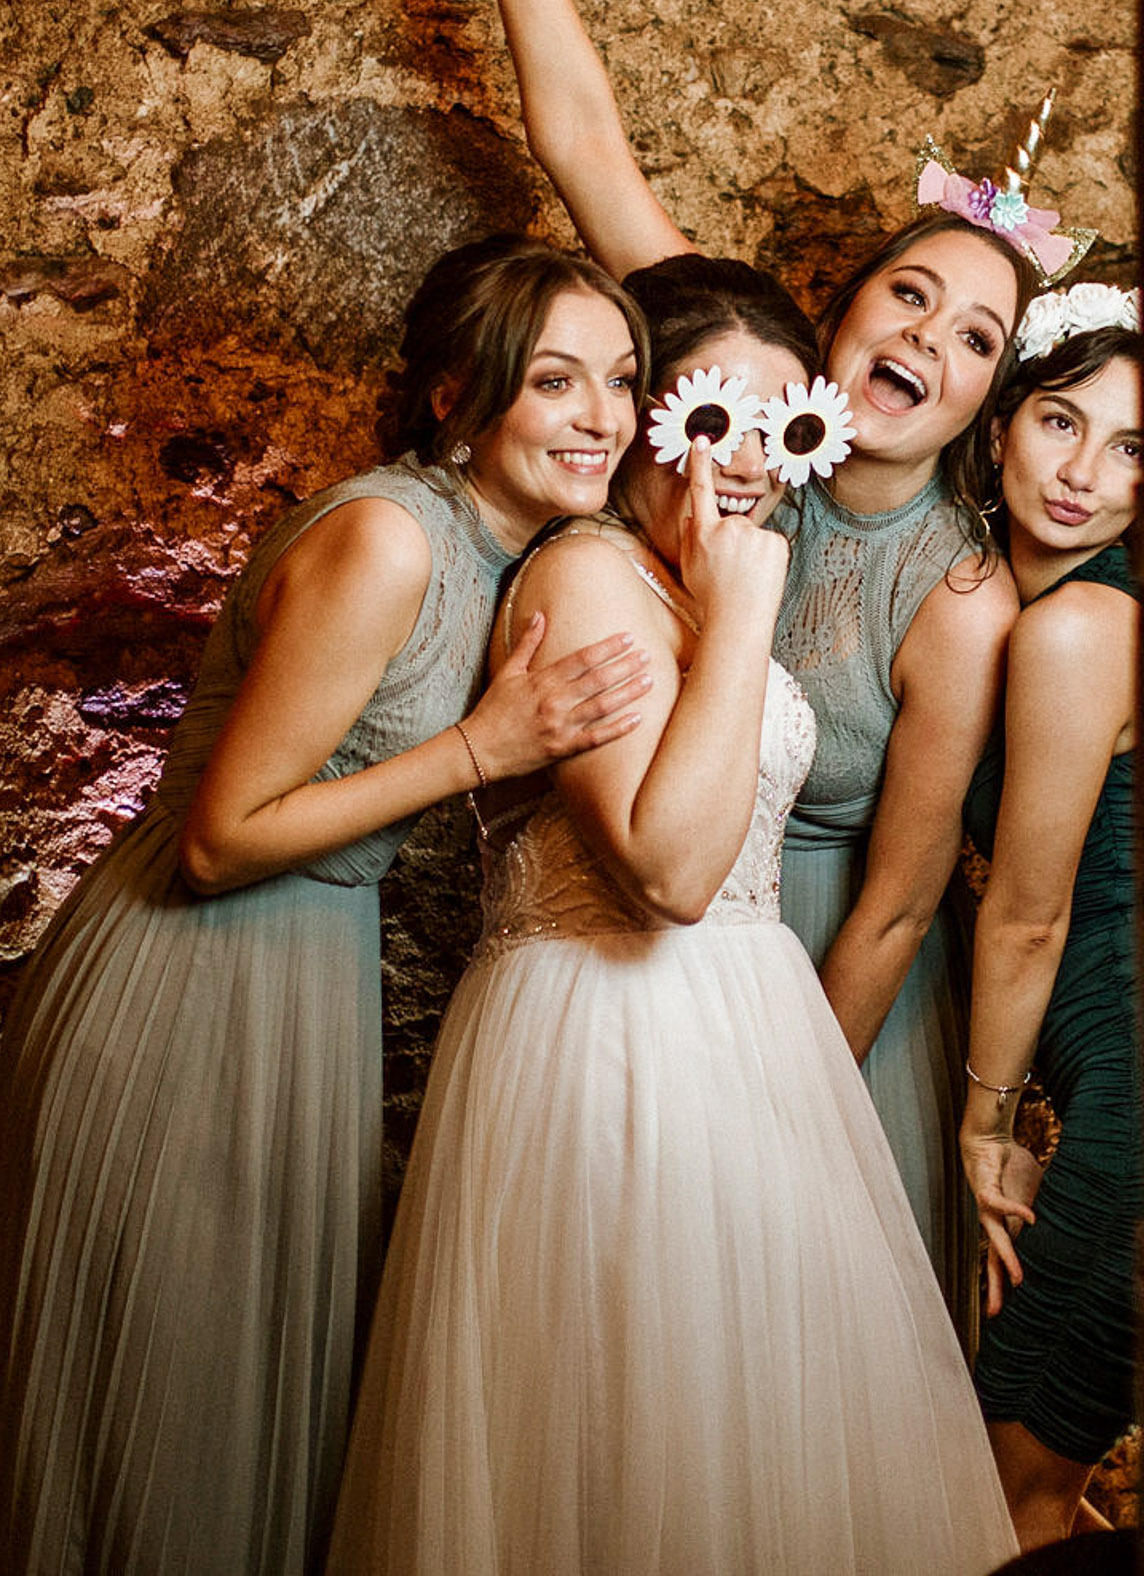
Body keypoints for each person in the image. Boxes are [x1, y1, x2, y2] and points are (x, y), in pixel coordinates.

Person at [473, 0, 1085, 1340]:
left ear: (982, 396)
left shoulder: (964, 600)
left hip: (826, 1007)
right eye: (909, 295)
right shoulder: (715, 414)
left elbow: (896, 896)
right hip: (629, 960)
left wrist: (782, 1102)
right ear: (843, 311)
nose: (929, 340)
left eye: (977, 337)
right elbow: (582, 141)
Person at [327, 255, 1019, 1575]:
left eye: (773, 421)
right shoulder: (589, 577)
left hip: (751, 1039)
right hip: (608, 1034)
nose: (745, 455)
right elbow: (670, 874)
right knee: (627, 1436)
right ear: (651, 416)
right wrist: (749, 609)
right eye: (711, 417)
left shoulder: (682, 577)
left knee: (759, 1433)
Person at [0, 234, 655, 1576]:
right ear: (457, 395)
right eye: (555, 380)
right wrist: (485, 747)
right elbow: (220, 841)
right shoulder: (389, 542)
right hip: (190, 985)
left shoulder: (516, 552)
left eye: (623, 381)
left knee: (228, 1428)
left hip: (300, 984)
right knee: (157, 1428)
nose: (600, 417)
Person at [957, 285, 1143, 1550]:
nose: (1082, 473)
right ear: (1001, 420)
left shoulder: (1083, 625)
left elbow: (1027, 917)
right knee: (1038, 1495)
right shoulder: (1039, 603)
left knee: (998, 1495)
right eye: (1060, 421)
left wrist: (983, 1124)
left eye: (1133, 447)